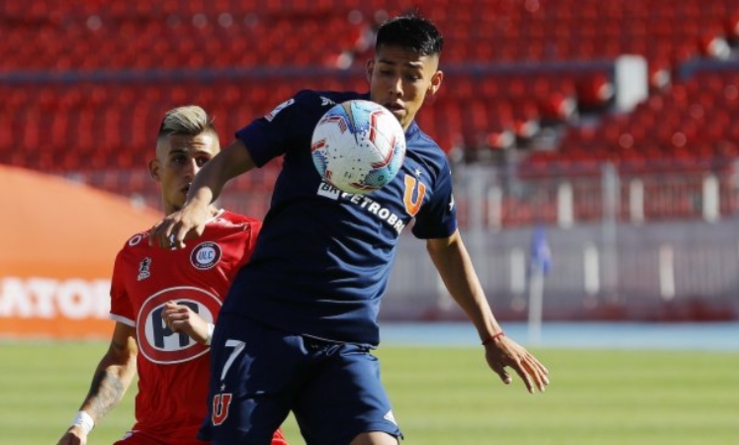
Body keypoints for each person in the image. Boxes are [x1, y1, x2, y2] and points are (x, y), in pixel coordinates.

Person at [150, 15, 550, 445]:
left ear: (434, 83)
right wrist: (196, 205)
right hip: (261, 326)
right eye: (387, 71)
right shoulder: (313, 113)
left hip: (343, 345)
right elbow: (228, 159)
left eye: (412, 76)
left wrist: (491, 334)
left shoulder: (430, 165)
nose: (396, 87)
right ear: (370, 70)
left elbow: (446, 246)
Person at [57, 106, 288, 445]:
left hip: (239, 432)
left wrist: (210, 333)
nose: (193, 171)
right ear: (156, 169)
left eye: (204, 160)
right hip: (156, 434)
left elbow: (284, 343)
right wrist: (82, 423)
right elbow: (122, 354)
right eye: (179, 159)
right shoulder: (134, 255)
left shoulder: (251, 239)